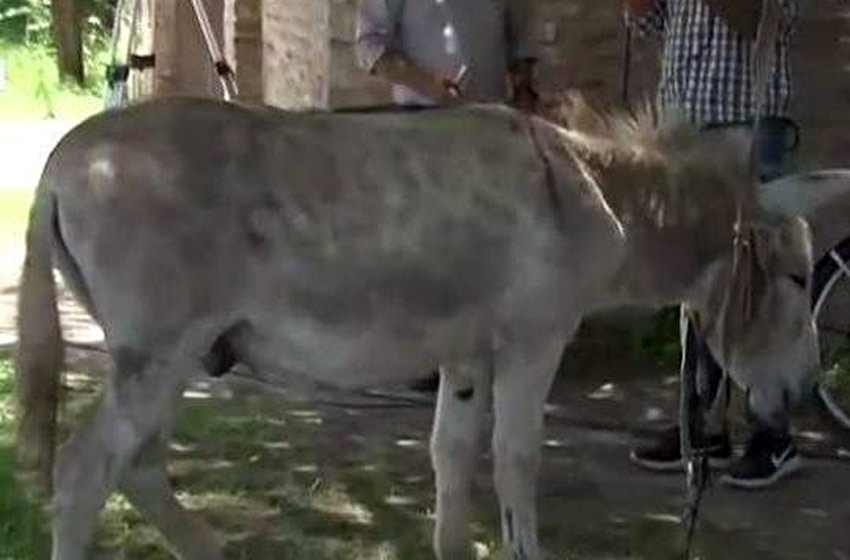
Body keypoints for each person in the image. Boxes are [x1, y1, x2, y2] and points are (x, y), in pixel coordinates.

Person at [625, 0, 802, 488]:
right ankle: (701, 425)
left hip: (747, 121)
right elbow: (653, 23)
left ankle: (773, 435)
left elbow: (765, 21)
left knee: (756, 282)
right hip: (685, 124)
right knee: (696, 282)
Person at [355, 0, 538, 108]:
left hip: (490, 118)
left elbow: (522, 41)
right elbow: (370, 46)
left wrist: (524, 93)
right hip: (421, 121)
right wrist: (425, 82)